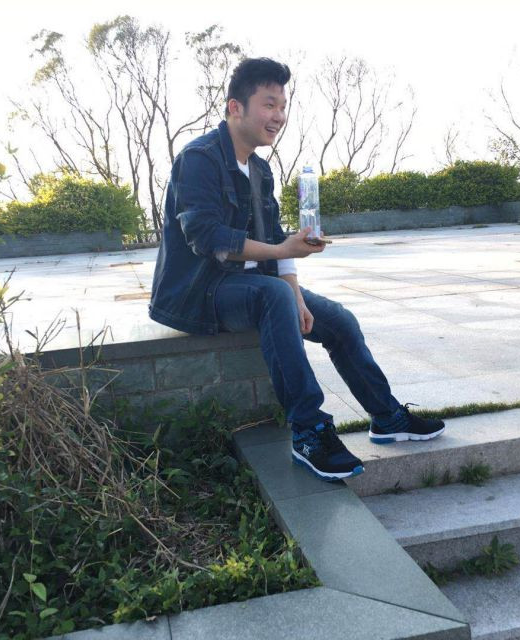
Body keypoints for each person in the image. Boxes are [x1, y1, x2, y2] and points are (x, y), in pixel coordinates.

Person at [149, 57, 445, 482]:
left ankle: (387, 417)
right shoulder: (199, 158)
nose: (279, 116)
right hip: (200, 292)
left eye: (283, 107)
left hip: (250, 284)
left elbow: (277, 239)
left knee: (338, 320)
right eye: (269, 105)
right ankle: (309, 431)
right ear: (235, 108)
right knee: (273, 296)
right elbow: (207, 238)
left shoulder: (260, 169)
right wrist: (279, 256)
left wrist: (297, 294)